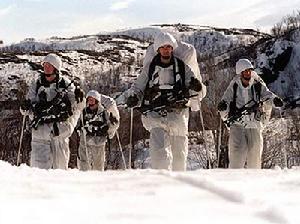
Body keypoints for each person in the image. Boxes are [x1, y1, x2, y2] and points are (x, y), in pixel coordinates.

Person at [125, 32, 206, 171]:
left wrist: (196, 87)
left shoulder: (182, 67)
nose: (166, 50)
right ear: (158, 49)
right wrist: (134, 97)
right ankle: (162, 185)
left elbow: (195, 87)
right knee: (159, 156)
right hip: (155, 115)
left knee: (180, 158)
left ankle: (179, 186)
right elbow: (138, 87)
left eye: (169, 47)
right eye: (163, 47)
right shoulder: (150, 68)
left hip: (178, 115)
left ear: (172, 48)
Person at [20, 53, 85, 169]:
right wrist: (24, 108)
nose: (46, 67)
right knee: (39, 172)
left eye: (49, 65)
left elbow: (77, 109)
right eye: (45, 65)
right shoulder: (36, 84)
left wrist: (69, 127)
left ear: (56, 68)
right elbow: (28, 109)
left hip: (59, 134)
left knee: (59, 173)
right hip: (40, 134)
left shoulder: (66, 85)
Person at [218, 58, 283, 169]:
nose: (248, 73)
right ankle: (233, 180)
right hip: (237, 124)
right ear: (240, 73)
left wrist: (274, 100)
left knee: (255, 156)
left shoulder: (258, 84)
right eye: (245, 71)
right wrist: (223, 106)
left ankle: (255, 182)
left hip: (254, 124)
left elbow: (267, 95)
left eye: (249, 70)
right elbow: (226, 99)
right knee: (236, 156)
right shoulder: (234, 85)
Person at [77, 90, 119, 171]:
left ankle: (98, 179)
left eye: (92, 100)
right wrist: (79, 128)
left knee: (98, 164)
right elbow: (79, 123)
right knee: (84, 162)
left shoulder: (104, 112)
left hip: (99, 141)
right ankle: (84, 178)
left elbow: (111, 126)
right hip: (85, 140)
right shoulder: (84, 112)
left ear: (97, 100)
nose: (90, 102)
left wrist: (113, 123)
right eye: (89, 100)